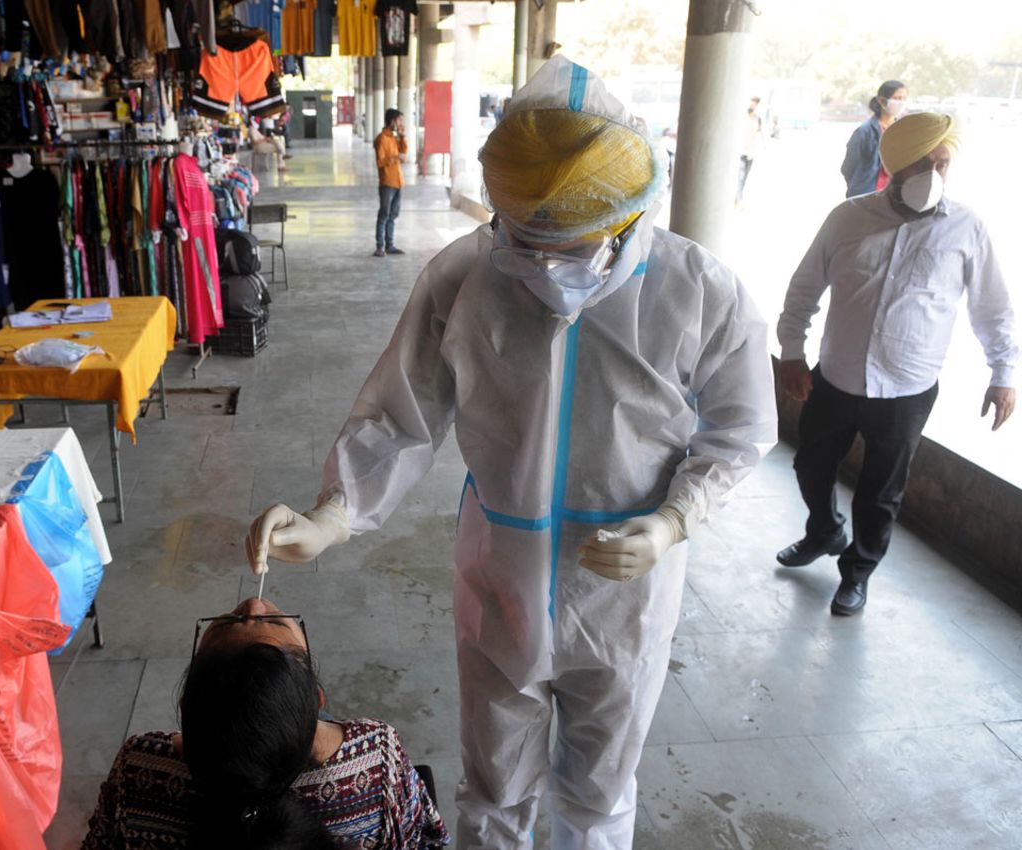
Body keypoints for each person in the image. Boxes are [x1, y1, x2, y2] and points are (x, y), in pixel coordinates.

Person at [246, 56, 777, 850]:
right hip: (499, 578)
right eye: (526, 241)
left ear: (629, 214)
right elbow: (403, 410)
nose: (546, 268)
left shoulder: (700, 292)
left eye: (570, 244)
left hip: (625, 596)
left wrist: (672, 520)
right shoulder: (466, 275)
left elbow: (739, 430)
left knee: (600, 791)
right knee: (493, 788)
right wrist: (335, 511)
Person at [776, 111, 1017, 616]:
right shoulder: (848, 217)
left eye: (942, 164)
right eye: (920, 164)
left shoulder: (967, 228)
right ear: (894, 166)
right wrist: (792, 353)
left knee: (880, 493)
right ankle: (824, 531)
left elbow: (993, 309)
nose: (932, 175)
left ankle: (857, 574)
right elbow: (803, 289)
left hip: (907, 390)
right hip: (836, 379)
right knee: (810, 465)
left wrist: (1004, 374)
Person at [81, 596, 450, 849]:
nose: (254, 604)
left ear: (185, 712)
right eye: (275, 623)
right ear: (317, 699)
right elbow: (426, 839)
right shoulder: (376, 757)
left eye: (227, 623)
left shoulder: (137, 768)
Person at [841, 80, 907, 198]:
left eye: (903, 98)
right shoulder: (864, 132)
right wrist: (859, 187)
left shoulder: (902, 131)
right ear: (882, 100)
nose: (900, 102)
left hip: (892, 197)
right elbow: (848, 167)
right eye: (896, 98)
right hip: (866, 197)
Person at [373, 108, 407, 258]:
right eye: (399, 120)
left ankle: (390, 244)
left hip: (398, 181)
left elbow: (404, 151)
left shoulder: (394, 138)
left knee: (393, 214)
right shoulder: (381, 139)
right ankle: (380, 246)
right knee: (384, 214)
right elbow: (380, 162)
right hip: (387, 182)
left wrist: (402, 137)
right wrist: (395, 157)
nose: (401, 123)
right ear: (392, 121)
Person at [736, 96, 762, 205]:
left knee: (745, 177)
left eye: (755, 104)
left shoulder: (758, 119)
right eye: (752, 104)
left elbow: (759, 134)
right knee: (741, 177)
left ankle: (739, 197)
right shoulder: (742, 118)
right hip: (742, 151)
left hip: (751, 152)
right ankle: (738, 199)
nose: (753, 106)